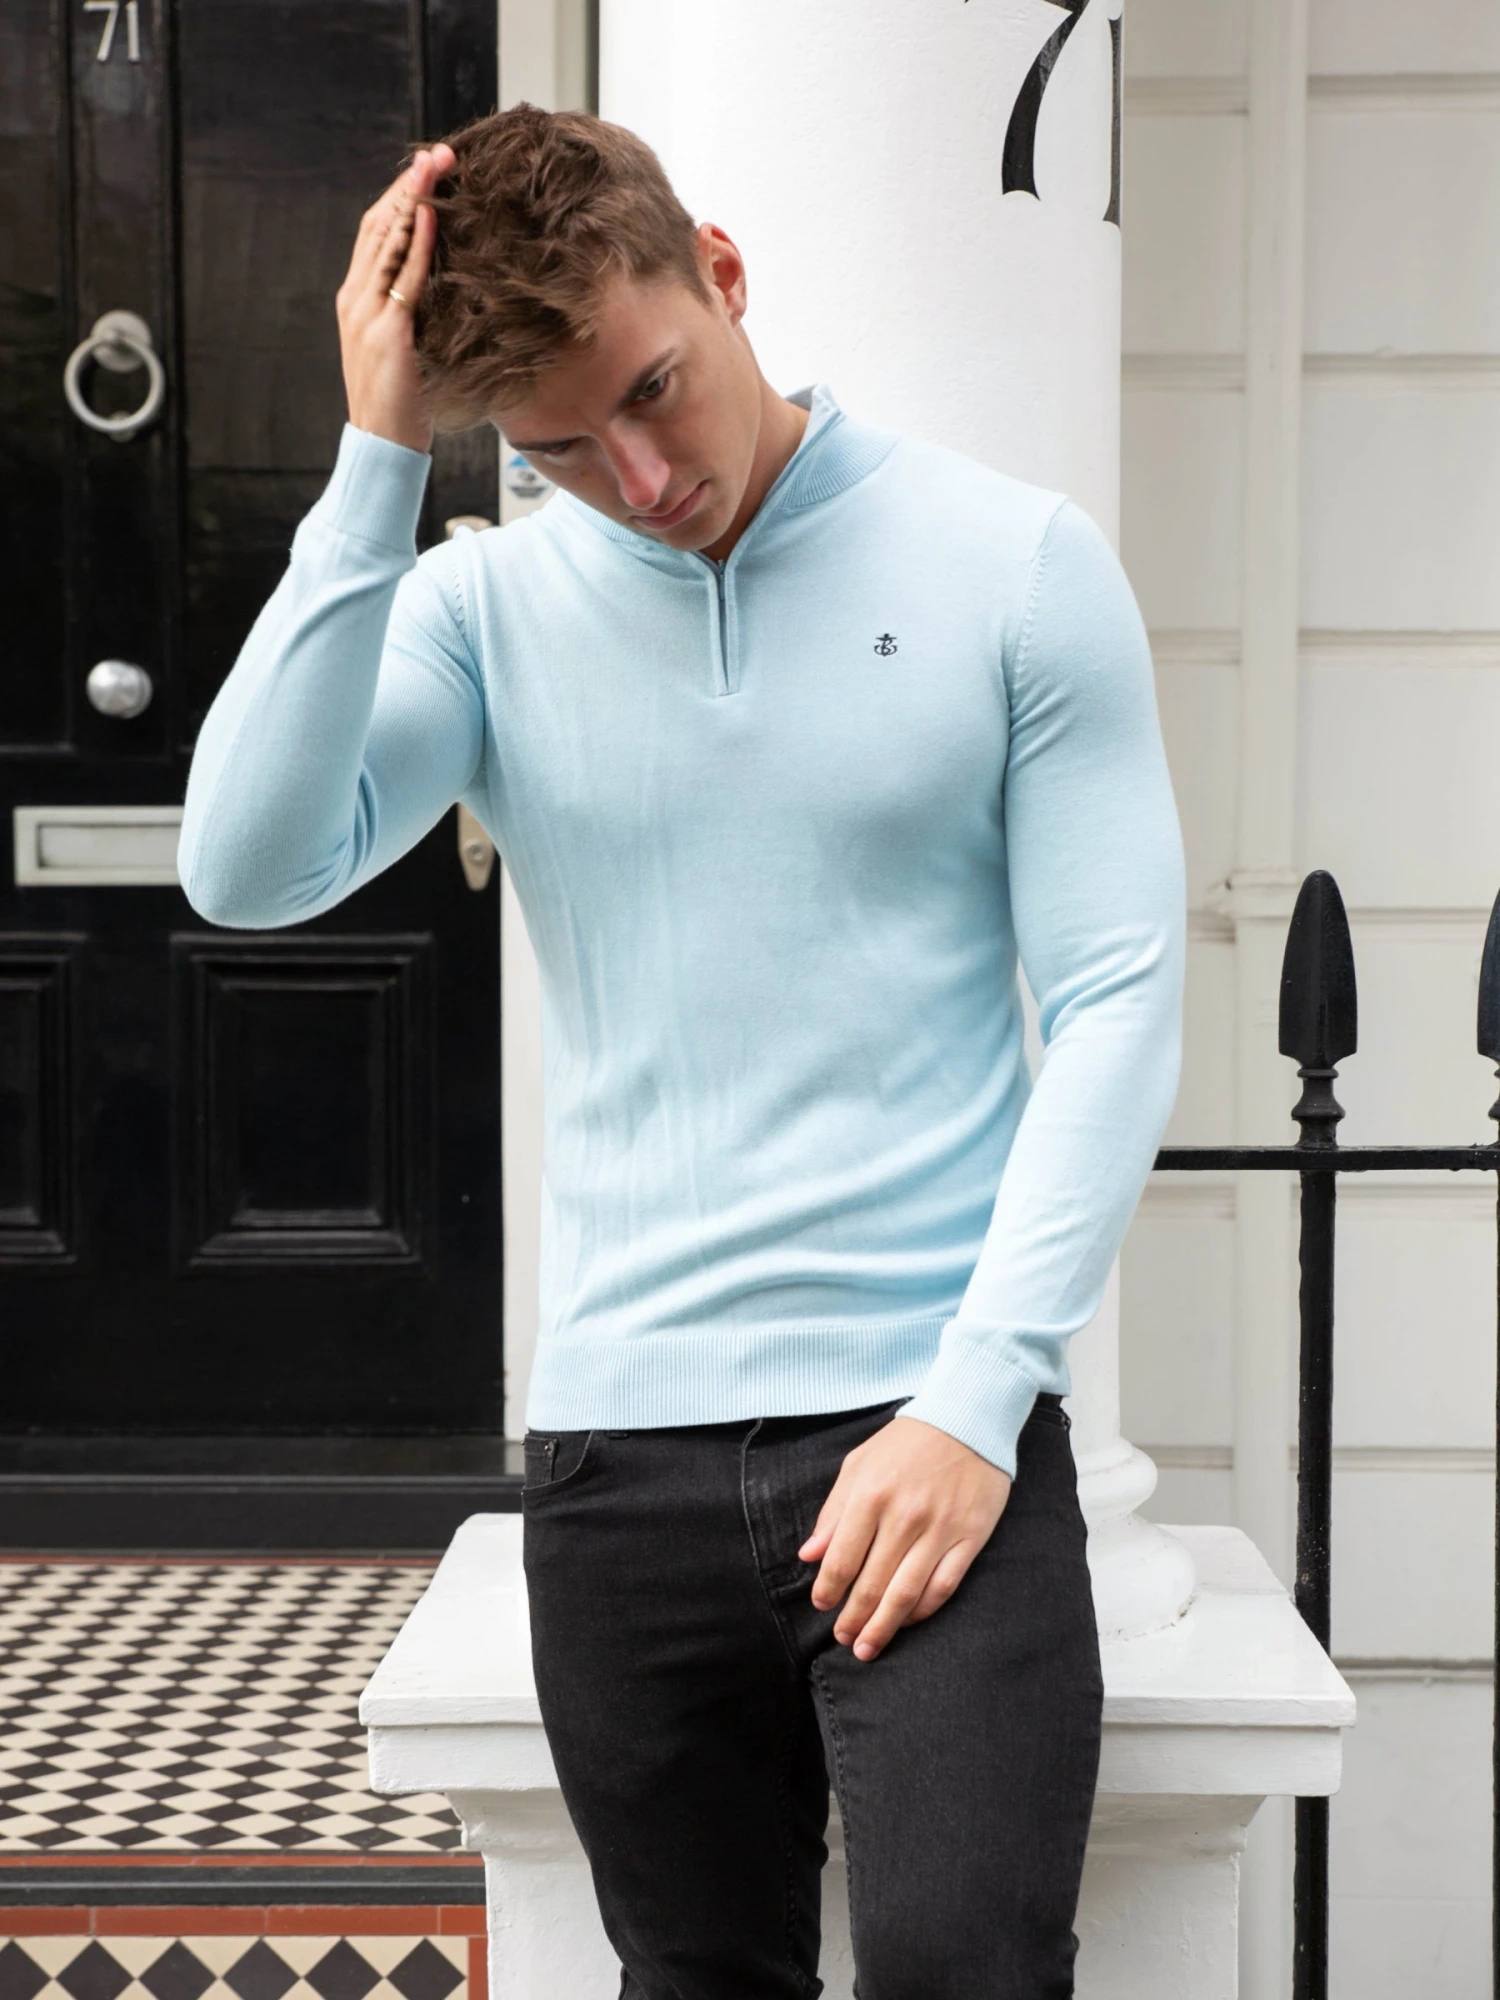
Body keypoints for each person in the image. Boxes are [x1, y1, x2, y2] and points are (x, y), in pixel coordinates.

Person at [178, 103, 1185, 2000]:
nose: (638, 478)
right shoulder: (481, 612)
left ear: (720, 272)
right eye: (557, 448)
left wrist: (978, 1401)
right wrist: (376, 458)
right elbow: (244, 864)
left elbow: (1121, 1001)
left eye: (653, 390)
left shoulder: (1013, 564)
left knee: (966, 1970)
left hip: (929, 1421)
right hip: (618, 1459)